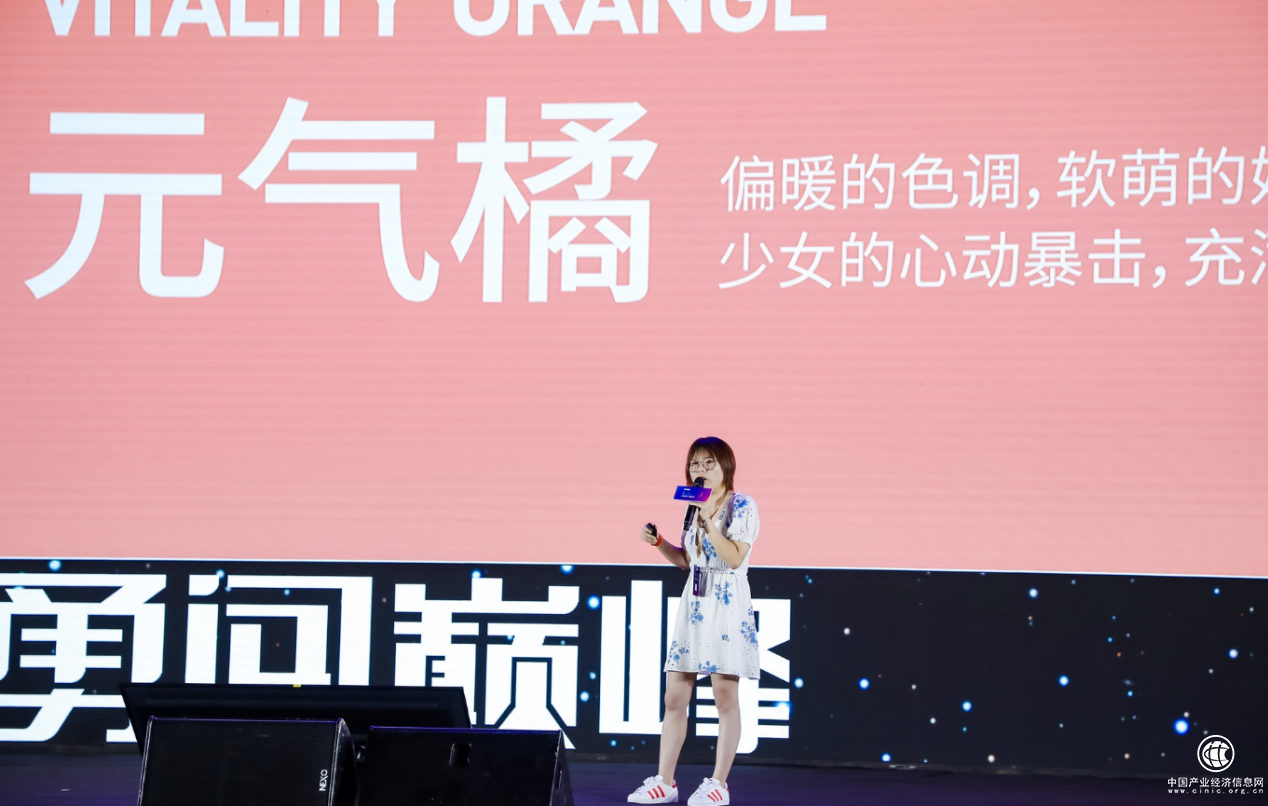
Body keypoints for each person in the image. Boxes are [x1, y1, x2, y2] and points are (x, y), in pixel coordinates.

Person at [627, 437, 760, 806]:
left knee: (724, 696)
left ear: (725, 466)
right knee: (674, 695)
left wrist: (707, 521)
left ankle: (718, 784)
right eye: (695, 464)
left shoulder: (742, 505)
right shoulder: (694, 507)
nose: (700, 471)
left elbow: (734, 557)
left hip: (727, 602)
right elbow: (689, 561)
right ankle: (665, 781)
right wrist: (659, 542)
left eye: (708, 463)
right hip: (696, 604)